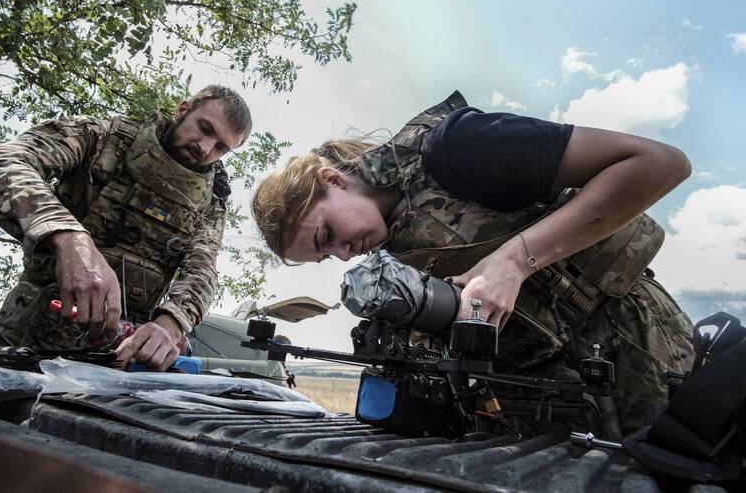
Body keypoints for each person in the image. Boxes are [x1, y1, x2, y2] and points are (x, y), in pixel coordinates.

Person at [251, 91, 695, 435]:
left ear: (331, 179)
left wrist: (514, 262)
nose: (344, 253)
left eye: (327, 235)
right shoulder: (394, 256)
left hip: (633, 349)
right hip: (554, 403)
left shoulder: (456, 148)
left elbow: (659, 163)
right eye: (326, 255)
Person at [0, 85, 251, 371]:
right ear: (183, 110)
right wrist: (70, 240)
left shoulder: (211, 200)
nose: (205, 148)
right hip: (28, 337)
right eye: (204, 128)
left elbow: (202, 271)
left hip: (120, 356)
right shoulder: (101, 139)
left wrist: (171, 324)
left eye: (221, 147)